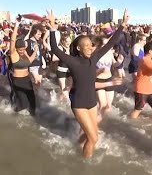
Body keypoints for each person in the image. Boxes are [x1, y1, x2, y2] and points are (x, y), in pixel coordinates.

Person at [48, 9, 128, 158]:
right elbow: (54, 48)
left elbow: (111, 43)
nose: (90, 47)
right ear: (78, 48)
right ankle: (85, 164)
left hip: (92, 103)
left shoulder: (94, 58)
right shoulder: (73, 61)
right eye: (86, 45)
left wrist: (122, 25)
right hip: (79, 104)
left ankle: (77, 145)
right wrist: (53, 27)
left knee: (89, 134)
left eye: (91, 45)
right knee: (94, 138)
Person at [9, 16, 38, 116]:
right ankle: (14, 113)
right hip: (18, 81)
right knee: (23, 104)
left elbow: (29, 61)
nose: (22, 51)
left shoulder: (24, 52)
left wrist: (35, 51)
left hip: (27, 79)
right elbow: (12, 40)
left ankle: (34, 117)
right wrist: (16, 24)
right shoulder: (13, 54)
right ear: (16, 49)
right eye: (20, 50)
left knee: (33, 101)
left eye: (23, 49)